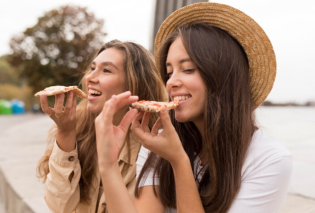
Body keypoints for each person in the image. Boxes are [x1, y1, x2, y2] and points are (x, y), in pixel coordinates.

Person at [94, 2, 292, 213]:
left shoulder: (269, 160)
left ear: (222, 77)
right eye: (169, 73)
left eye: (187, 69)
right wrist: (108, 163)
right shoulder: (158, 143)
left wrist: (179, 162)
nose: (171, 83)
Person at [36, 39, 167, 213]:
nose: (89, 77)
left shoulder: (154, 148)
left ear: (134, 84)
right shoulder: (78, 127)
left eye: (106, 70)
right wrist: (66, 133)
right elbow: (60, 206)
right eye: (92, 68)